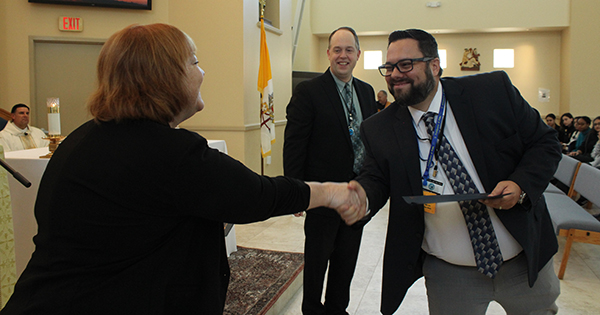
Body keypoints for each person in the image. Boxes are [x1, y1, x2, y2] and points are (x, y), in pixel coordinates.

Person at [0, 24, 365, 315]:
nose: (203, 71)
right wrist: (329, 192)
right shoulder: (167, 151)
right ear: (166, 75)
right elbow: (256, 195)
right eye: (194, 61)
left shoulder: (84, 137)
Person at [349, 29, 561, 315]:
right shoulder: (378, 128)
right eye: (389, 67)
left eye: (406, 65)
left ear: (434, 65)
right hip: (450, 276)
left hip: (523, 263)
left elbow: (544, 142)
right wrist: (359, 197)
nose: (395, 74)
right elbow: (375, 180)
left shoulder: (491, 91)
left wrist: (520, 184)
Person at [283, 26, 377, 314]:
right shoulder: (309, 91)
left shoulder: (366, 91)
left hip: (356, 194)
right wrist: (296, 191)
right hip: (322, 194)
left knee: (346, 260)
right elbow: (295, 143)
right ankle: (311, 309)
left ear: (358, 54)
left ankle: (338, 309)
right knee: (317, 260)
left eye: (349, 50)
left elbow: (372, 142)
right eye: (337, 49)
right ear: (328, 54)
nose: (343, 55)